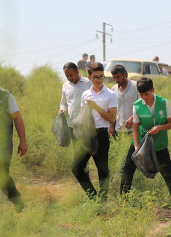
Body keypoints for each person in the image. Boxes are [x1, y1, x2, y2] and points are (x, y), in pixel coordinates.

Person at [120, 77, 171, 215]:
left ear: (153, 90)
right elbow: (135, 130)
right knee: (127, 170)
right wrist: (137, 149)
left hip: (159, 145)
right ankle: (123, 205)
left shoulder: (163, 102)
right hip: (141, 144)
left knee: (168, 174)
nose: (144, 97)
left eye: (146, 94)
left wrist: (160, 127)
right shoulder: (137, 105)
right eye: (141, 95)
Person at [72, 62, 118, 202]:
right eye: (96, 77)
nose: (99, 80)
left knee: (102, 170)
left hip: (101, 134)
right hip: (86, 134)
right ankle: (93, 197)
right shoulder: (86, 94)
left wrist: (96, 107)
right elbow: (83, 115)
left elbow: (111, 118)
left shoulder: (111, 94)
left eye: (101, 77)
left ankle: (102, 202)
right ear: (90, 77)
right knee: (76, 167)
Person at [0, 85, 27, 211]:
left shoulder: (5, 95)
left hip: (3, 145)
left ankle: (18, 203)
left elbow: (17, 118)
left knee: (1, 174)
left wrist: (23, 141)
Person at [59, 62, 92, 147]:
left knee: (86, 151)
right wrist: (63, 109)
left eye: (71, 75)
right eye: (67, 76)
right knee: (76, 151)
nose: (69, 78)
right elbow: (64, 103)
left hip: (85, 126)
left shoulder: (88, 83)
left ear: (77, 71)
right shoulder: (65, 85)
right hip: (72, 125)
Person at [109, 64, 139, 137]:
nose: (116, 80)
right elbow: (113, 110)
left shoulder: (136, 87)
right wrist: (111, 126)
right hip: (118, 129)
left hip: (133, 129)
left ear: (124, 74)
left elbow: (140, 106)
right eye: (114, 78)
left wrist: (132, 118)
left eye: (118, 77)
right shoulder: (113, 89)